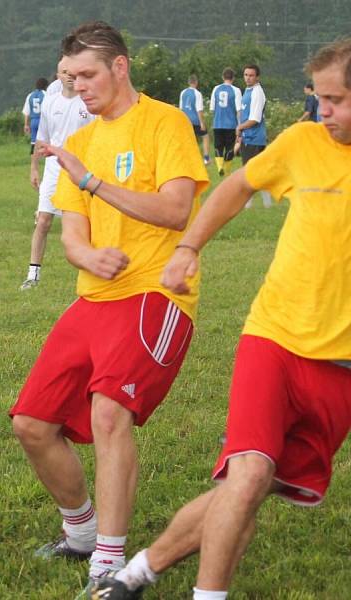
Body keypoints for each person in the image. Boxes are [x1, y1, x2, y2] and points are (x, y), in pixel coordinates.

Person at [90, 38, 351, 600]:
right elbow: (234, 187)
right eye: (320, 98)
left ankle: (138, 572)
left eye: (334, 100)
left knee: (249, 491)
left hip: (340, 368)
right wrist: (188, 249)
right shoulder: (303, 142)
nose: (321, 111)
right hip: (274, 338)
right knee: (250, 473)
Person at [9, 20, 208, 593]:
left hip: (155, 294)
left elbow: (175, 211)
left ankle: (109, 560)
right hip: (95, 300)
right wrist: (85, 257)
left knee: (107, 413)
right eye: (70, 78)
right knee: (31, 424)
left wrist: (93, 183)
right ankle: (80, 532)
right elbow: (73, 236)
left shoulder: (165, 122)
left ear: (120, 67)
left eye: (87, 75)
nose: (79, 88)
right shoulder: (79, 143)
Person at [20, 62, 92, 290]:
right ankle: (33, 275)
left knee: (87, 223)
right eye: (65, 73)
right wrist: (34, 167)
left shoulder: (88, 103)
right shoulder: (50, 103)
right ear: (58, 76)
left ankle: (91, 273)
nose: (71, 76)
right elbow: (41, 140)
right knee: (43, 220)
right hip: (53, 167)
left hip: (81, 168)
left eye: (74, 72)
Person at [236, 64, 273, 208]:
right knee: (257, 172)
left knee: (249, 172)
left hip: (255, 138)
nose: (248, 78)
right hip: (248, 136)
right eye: (246, 75)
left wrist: (240, 127)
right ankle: (266, 204)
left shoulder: (257, 92)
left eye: (251, 75)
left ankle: (248, 205)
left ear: (257, 77)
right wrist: (240, 132)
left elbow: (255, 119)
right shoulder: (248, 90)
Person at [209, 68, 243, 176]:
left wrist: (215, 120)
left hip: (218, 124)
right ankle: (227, 170)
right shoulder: (236, 90)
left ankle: (219, 167)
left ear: (223, 77)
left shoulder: (216, 89)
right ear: (233, 78)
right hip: (231, 125)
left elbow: (212, 109)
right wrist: (240, 125)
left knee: (218, 147)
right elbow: (239, 110)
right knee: (229, 148)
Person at [179, 74, 211, 165]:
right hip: (195, 120)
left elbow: (181, 108)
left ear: (189, 82)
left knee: (187, 140)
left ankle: (186, 159)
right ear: (196, 82)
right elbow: (199, 110)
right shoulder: (197, 94)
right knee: (205, 137)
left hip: (185, 120)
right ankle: (206, 158)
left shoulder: (183, 92)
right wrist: (202, 123)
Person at [22, 77, 50, 154]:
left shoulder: (30, 95)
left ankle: (34, 159)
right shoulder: (46, 94)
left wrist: (26, 125)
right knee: (47, 140)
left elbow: (27, 112)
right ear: (46, 85)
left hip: (33, 121)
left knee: (34, 141)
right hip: (43, 120)